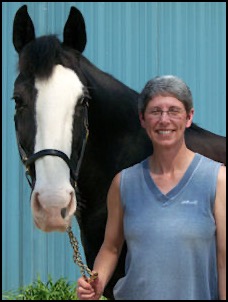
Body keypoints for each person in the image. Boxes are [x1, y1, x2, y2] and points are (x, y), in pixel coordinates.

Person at [76, 75, 226, 300]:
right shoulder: (123, 183)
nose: (164, 120)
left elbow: (224, 259)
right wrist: (97, 281)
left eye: (174, 110)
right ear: (143, 119)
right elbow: (111, 248)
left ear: (188, 118)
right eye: (155, 111)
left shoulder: (217, 179)